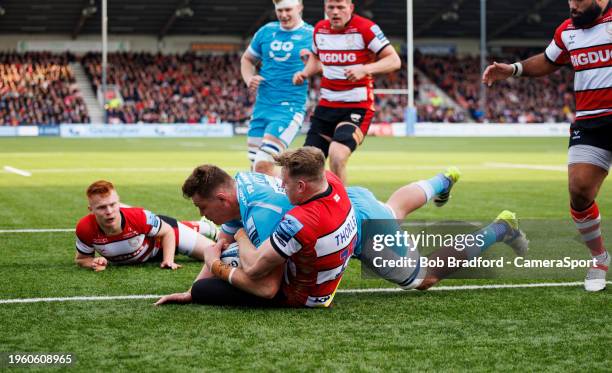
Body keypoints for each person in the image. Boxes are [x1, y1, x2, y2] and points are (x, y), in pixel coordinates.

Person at [482, 0, 611, 291]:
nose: (572, 5)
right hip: (590, 124)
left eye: (578, 0)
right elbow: (549, 60)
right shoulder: (567, 31)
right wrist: (512, 69)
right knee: (579, 192)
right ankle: (599, 258)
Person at [157, 147, 357, 307]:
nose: (202, 215)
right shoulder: (329, 179)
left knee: (207, 287)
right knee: (202, 284)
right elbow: (221, 241)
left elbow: (267, 288)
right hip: (328, 269)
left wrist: (217, 264)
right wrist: (190, 292)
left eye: (285, 184)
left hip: (305, 294)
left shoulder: (281, 218)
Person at [293, 0, 401, 184]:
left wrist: (365, 69)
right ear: (325, 8)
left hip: (357, 107)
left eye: (340, 7)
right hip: (326, 106)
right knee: (306, 162)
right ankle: (316, 204)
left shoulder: (366, 28)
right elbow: (315, 59)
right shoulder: (320, 29)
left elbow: (394, 60)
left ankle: (342, 208)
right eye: (331, 8)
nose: (335, 12)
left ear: (350, 8)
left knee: (337, 155)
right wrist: (304, 73)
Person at [74, 180, 218, 271]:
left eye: (113, 205)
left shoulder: (137, 216)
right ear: (91, 210)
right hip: (149, 242)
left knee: (218, 257)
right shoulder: (85, 228)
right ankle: (200, 226)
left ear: (119, 202)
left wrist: (168, 260)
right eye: (101, 207)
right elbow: (81, 259)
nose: (109, 212)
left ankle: (206, 228)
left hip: (167, 237)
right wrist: (93, 262)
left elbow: (168, 231)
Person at [241, 0, 314, 176]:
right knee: (256, 166)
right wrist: (249, 78)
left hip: (289, 108)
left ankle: (309, 188)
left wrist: (306, 71)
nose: (283, 15)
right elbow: (247, 60)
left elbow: (324, 66)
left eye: (288, 10)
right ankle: (287, 195)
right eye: (279, 10)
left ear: (300, 8)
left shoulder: (311, 35)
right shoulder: (266, 31)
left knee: (263, 162)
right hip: (262, 107)